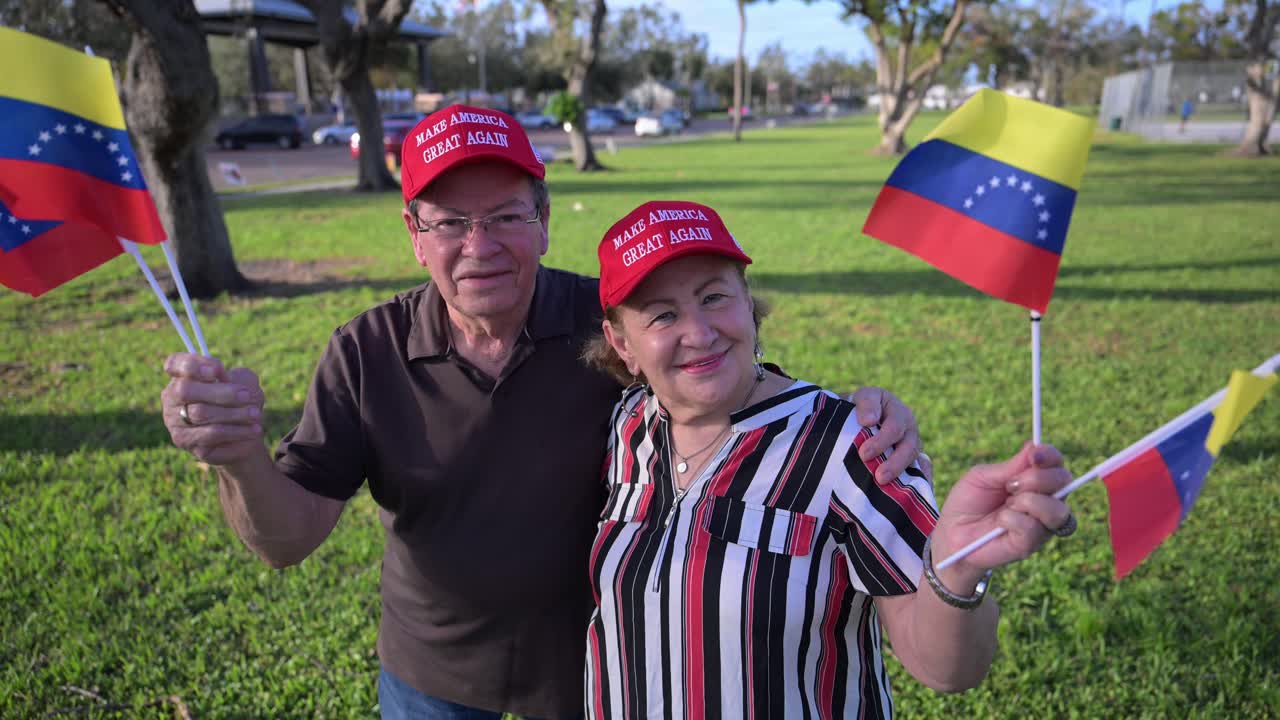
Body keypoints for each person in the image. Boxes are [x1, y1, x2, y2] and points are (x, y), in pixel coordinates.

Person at [159, 105, 927, 720]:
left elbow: (719, 382)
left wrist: (858, 417)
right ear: (414, 236)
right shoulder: (366, 351)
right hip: (432, 678)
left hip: (597, 674)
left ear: (545, 219)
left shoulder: (611, 325)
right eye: (449, 222)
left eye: (505, 217)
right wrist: (239, 459)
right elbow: (285, 542)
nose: (479, 246)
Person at [582, 200, 1077, 718]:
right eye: (663, 314)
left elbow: (945, 669)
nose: (700, 332)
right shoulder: (627, 427)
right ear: (623, 343)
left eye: (715, 297)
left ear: (748, 303)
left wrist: (958, 567)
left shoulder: (851, 448)